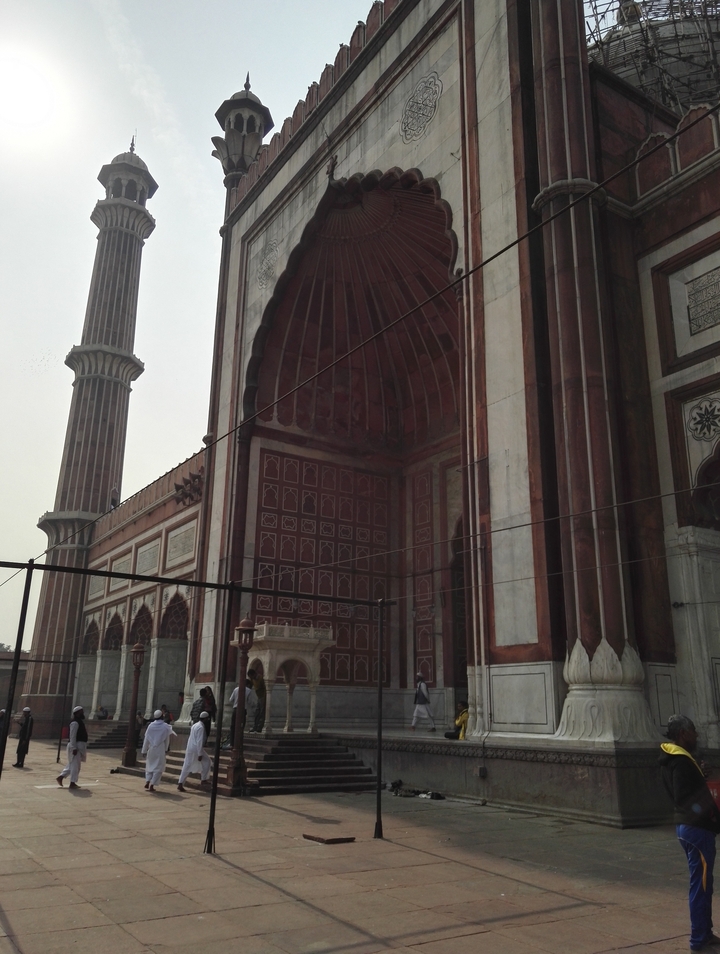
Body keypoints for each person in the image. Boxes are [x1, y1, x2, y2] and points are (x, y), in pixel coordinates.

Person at [659, 714, 720, 952]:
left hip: (690, 828)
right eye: (693, 730)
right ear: (683, 734)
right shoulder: (681, 761)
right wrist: (710, 815)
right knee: (700, 885)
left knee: (704, 883)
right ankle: (698, 939)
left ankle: (705, 932)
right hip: (696, 829)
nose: (696, 734)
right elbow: (686, 797)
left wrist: (699, 776)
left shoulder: (677, 759)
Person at [141, 709, 177, 792]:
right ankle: (152, 784)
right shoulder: (165, 726)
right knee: (158, 767)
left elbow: (146, 739)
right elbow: (167, 740)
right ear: (162, 716)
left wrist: (144, 750)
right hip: (160, 748)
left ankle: (147, 781)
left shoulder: (150, 726)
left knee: (150, 765)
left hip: (151, 748)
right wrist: (166, 749)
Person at [177, 710, 211, 792]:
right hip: (196, 748)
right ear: (205, 719)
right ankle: (203, 779)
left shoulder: (195, 725)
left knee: (187, 765)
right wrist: (200, 754)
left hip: (190, 747)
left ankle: (180, 783)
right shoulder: (201, 727)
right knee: (207, 761)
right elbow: (199, 741)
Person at [56, 706, 88, 789]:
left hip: (79, 747)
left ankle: (61, 777)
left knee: (73, 765)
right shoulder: (75, 723)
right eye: (81, 712)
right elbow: (72, 736)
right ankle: (72, 782)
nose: (82, 713)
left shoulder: (79, 722)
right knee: (75, 766)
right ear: (77, 713)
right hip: (75, 747)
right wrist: (74, 748)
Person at [248, 669, 266, 733]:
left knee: (262, 712)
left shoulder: (260, 678)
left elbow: (265, 688)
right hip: (259, 697)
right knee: (257, 712)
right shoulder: (253, 679)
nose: (251, 678)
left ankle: (259, 727)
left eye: (251, 676)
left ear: (254, 674)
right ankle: (255, 726)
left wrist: (264, 698)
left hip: (263, 697)